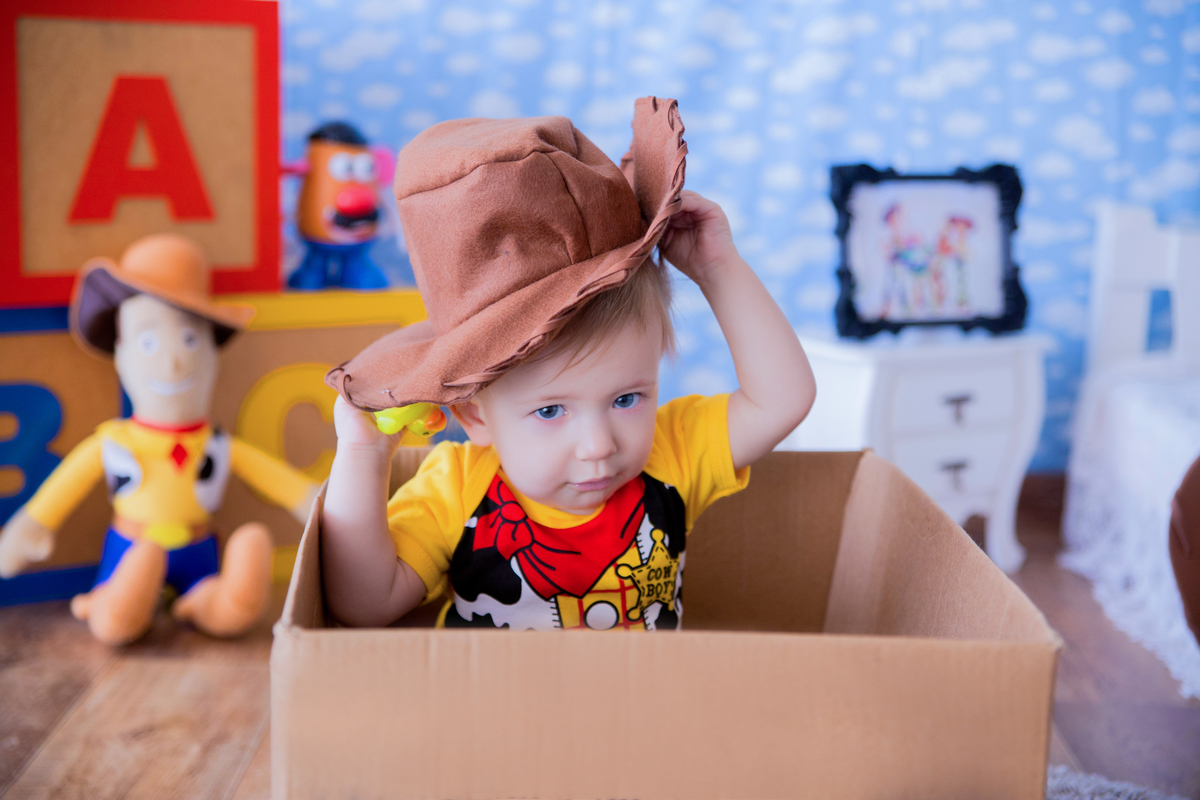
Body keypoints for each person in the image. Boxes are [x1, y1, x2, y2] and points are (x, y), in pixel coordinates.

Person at [319, 98, 816, 630]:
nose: (600, 445)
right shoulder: (455, 490)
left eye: (627, 399)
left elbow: (783, 400)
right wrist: (363, 456)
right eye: (552, 410)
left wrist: (718, 268)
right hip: (496, 714)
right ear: (475, 417)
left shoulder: (670, 457)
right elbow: (363, 605)